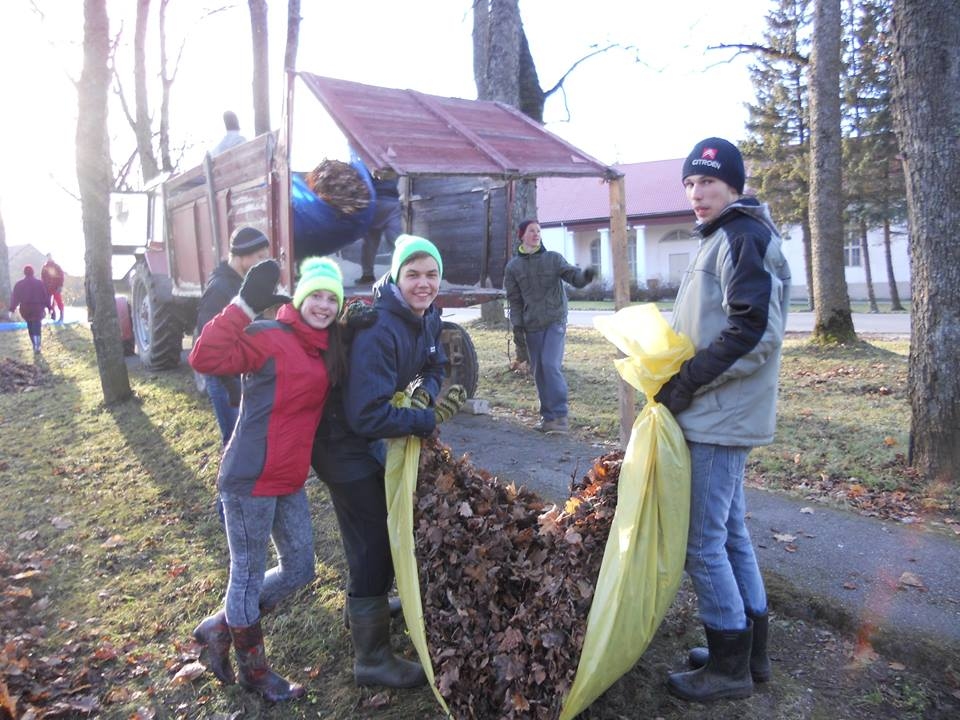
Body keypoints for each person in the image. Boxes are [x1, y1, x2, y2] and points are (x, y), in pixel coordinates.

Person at [656, 137, 791, 703]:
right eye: (690, 183)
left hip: (718, 415)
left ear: (733, 185)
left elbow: (754, 332)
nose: (697, 193)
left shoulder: (742, 235)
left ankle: (729, 668)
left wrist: (685, 383)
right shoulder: (721, 236)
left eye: (708, 181)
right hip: (718, 411)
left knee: (702, 544)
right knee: (731, 534)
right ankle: (747, 654)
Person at [188, 256, 347, 702]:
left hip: (290, 479)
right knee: (245, 575)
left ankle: (220, 628)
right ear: (299, 297)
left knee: (301, 567)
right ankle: (254, 673)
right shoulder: (267, 336)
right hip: (249, 478)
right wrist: (243, 304)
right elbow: (205, 356)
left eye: (331, 298)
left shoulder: (324, 345)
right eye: (315, 294)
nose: (323, 304)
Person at [311, 234, 466, 689]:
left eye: (431, 274)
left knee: (377, 531)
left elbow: (435, 367)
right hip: (341, 443)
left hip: (365, 437)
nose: (424, 284)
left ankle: (364, 606)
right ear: (396, 277)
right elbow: (366, 414)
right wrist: (424, 420)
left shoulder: (427, 316)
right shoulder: (379, 328)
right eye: (413, 274)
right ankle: (372, 658)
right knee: (373, 539)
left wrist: (424, 394)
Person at [503, 219, 595, 434]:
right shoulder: (513, 267)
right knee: (539, 371)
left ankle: (560, 417)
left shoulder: (553, 259)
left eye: (538, 231)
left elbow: (573, 276)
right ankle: (548, 419)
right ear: (522, 235)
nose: (536, 234)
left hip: (555, 320)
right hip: (531, 324)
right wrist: (518, 329)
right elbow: (514, 301)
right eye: (531, 231)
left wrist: (585, 276)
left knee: (549, 364)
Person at [194, 226, 273, 447]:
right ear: (241, 256)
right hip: (225, 380)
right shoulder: (220, 289)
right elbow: (207, 341)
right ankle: (231, 481)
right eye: (260, 257)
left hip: (240, 374)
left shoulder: (242, 284)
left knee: (248, 439)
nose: (263, 262)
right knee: (234, 442)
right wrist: (232, 387)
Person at [357, 176, 402, 284]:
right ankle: (400, 274)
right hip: (392, 203)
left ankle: (367, 275)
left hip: (374, 202)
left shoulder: (369, 162)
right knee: (396, 243)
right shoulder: (392, 163)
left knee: (370, 242)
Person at [9, 265, 49, 353]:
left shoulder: (19, 284)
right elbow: (45, 296)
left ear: (24, 273)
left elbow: (15, 298)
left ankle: (34, 344)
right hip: (37, 308)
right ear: (33, 272)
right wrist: (50, 307)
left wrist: (12, 309)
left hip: (25, 309)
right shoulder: (40, 283)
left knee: (30, 325)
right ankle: (37, 345)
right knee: (37, 325)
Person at [40, 254, 65, 323]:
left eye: (50, 257)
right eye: (48, 257)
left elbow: (61, 275)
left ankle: (61, 316)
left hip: (56, 287)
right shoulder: (44, 267)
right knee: (48, 302)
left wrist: (60, 286)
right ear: (47, 258)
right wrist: (43, 286)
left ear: (52, 257)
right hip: (47, 288)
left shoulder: (56, 266)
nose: (49, 258)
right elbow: (42, 277)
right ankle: (52, 316)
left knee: (59, 301)